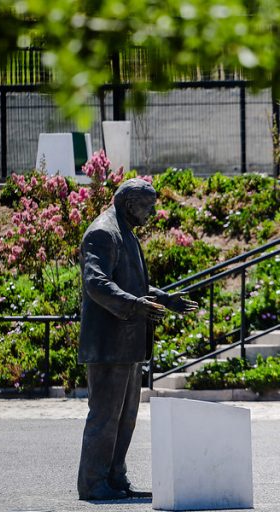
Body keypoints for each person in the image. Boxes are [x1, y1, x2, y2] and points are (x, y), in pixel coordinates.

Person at [77, 178, 197, 501]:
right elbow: (96, 283)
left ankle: (115, 476)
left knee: (126, 417)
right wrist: (134, 306)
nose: (152, 213)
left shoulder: (125, 232)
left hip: (128, 345)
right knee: (105, 416)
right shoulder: (103, 233)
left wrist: (166, 300)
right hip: (108, 344)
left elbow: (134, 285)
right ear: (130, 204)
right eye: (148, 206)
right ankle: (92, 482)